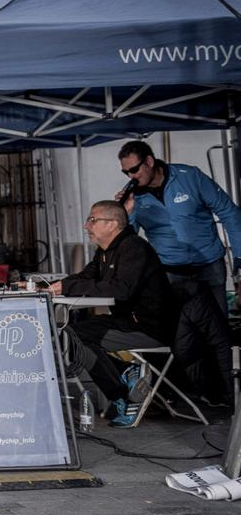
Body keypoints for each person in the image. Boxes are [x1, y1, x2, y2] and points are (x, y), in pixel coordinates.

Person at [51, 200, 172, 427]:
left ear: (113, 224)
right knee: (72, 335)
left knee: (74, 337)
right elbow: (86, 277)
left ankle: (122, 394)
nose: (87, 226)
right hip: (125, 322)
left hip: (149, 327)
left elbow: (121, 290)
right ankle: (126, 376)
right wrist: (51, 286)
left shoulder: (133, 247)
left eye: (93, 220)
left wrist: (68, 288)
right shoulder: (105, 252)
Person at [116, 140, 241, 316]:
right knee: (180, 331)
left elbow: (229, 212)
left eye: (134, 169)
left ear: (149, 162)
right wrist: (124, 213)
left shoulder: (190, 176)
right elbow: (127, 240)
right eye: (126, 172)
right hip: (170, 271)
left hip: (209, 264)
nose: (131, 177)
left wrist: (239, 255)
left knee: (217, 325)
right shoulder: (131, 196)